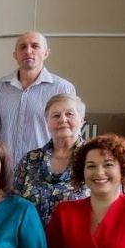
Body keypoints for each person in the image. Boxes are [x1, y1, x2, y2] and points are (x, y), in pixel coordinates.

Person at [0, 32, 77, 163]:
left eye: (35, 46)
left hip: (44, 170)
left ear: (46, 53)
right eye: (22, 47)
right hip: (6, 169)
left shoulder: (62, 88)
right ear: (15, 55)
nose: (28, 51)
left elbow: (72, 134)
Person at [14, 94, 89, 228]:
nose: (63, 119)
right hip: (32, 237)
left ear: (82, 120)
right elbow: (13, 201)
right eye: (56, 115)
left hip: (77, 238)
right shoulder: (30, 159)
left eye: (69, 114)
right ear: (47, 122)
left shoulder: (93, 158)